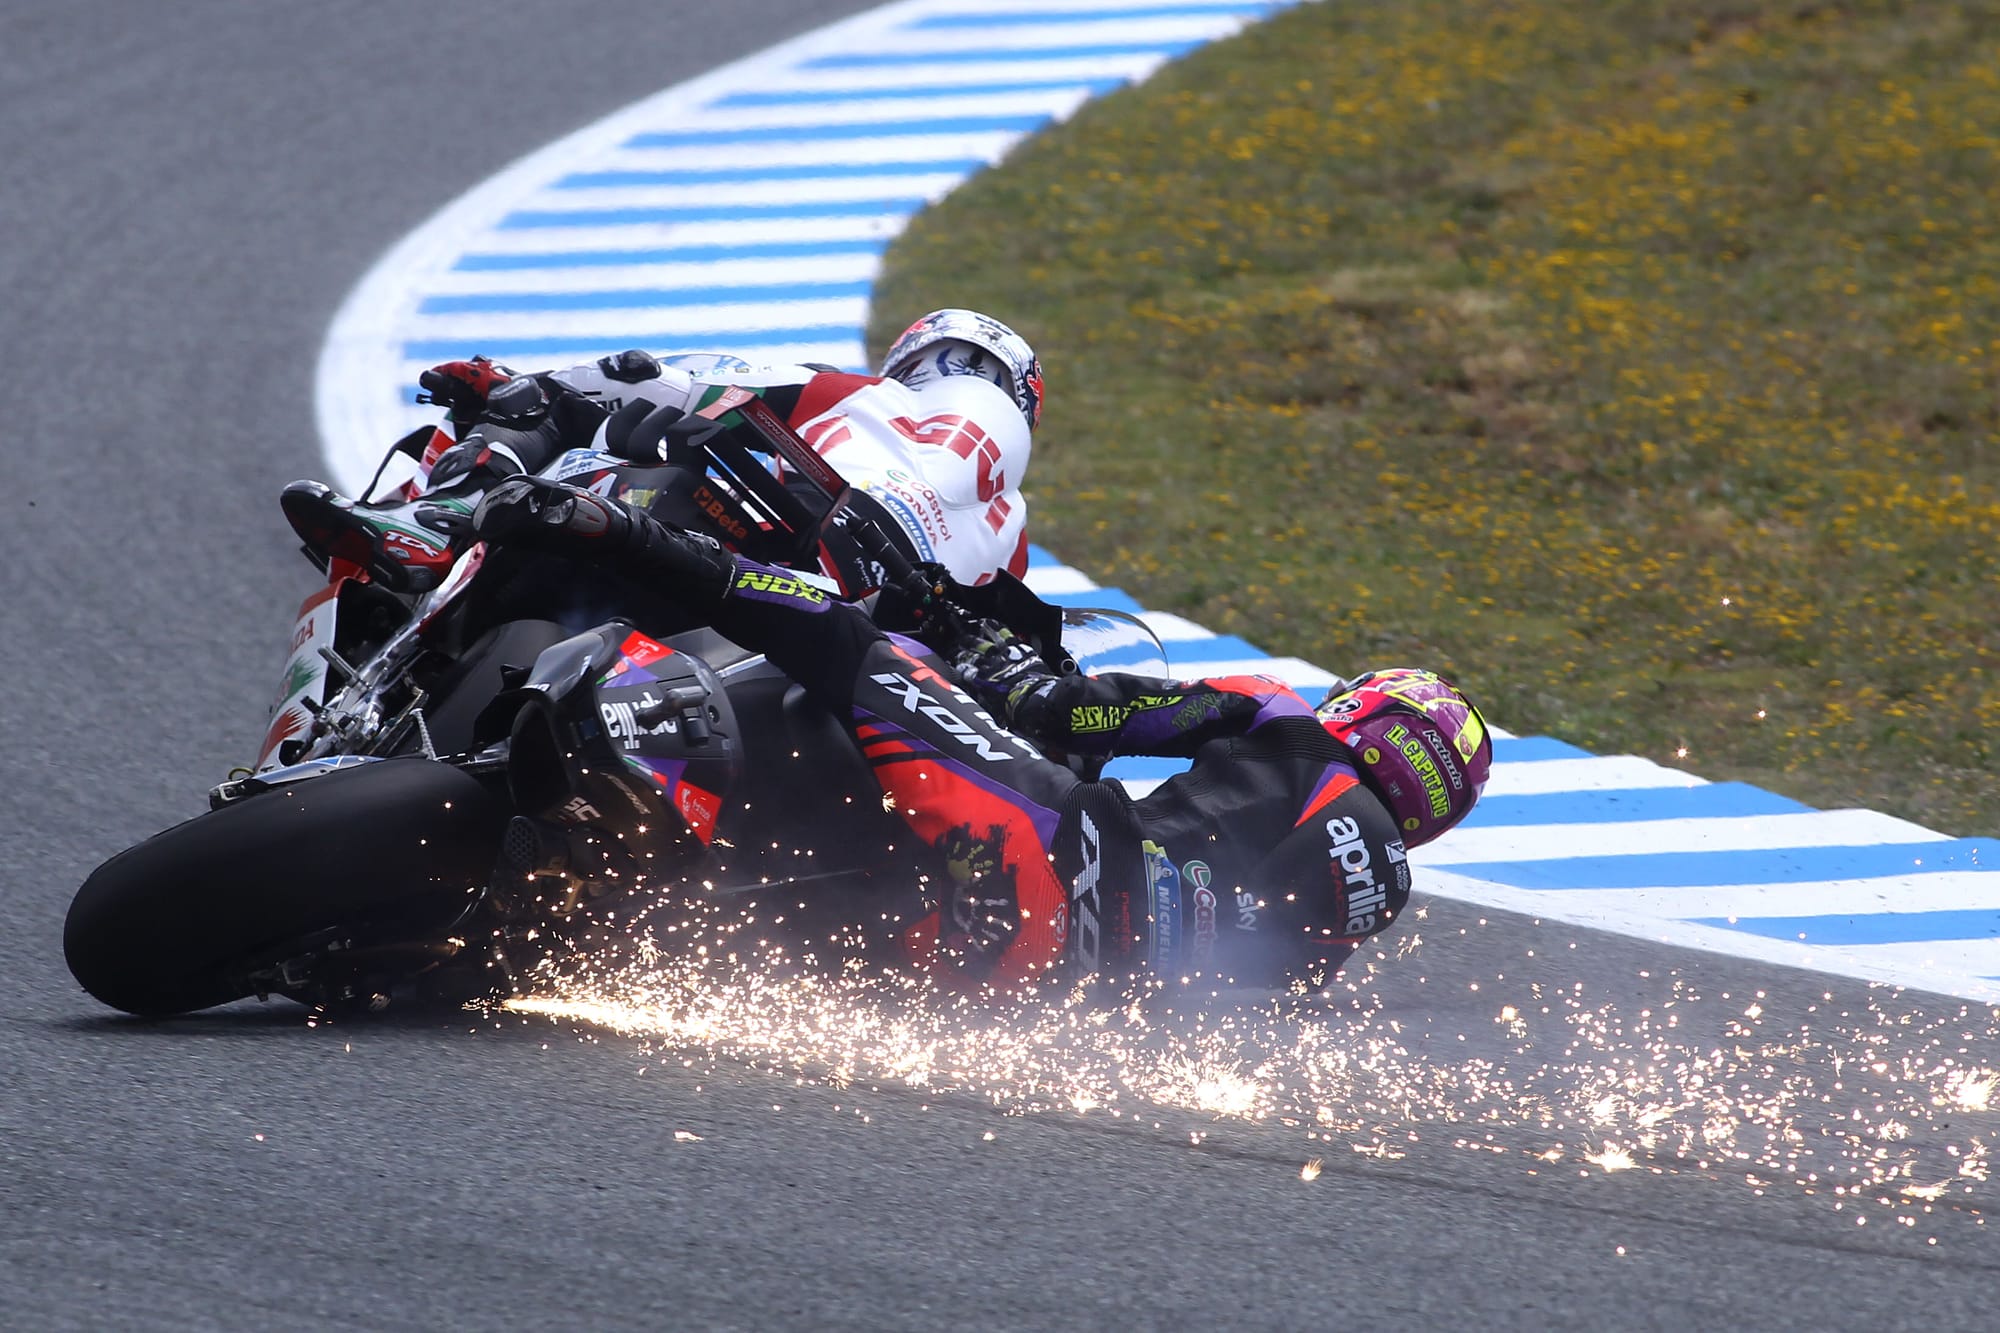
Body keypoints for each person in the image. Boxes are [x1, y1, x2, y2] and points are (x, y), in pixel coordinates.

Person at [467, 475, 1493, 993]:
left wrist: (1010, 673)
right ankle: (594, 928)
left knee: (845, 642)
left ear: (1362, 712)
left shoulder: (1281, 720)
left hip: (1050, 849)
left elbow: (1080, 713)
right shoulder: (1366, 908)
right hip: (1039, 981)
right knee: (805, 947)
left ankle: (608, 532)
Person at [283, 309, 1044, 597]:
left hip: (758, 529)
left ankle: (439, 527)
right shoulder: (1013, 533)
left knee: (562, 409)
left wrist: (519, 386)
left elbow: (651, 378)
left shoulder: (855, 392)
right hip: (878, 645)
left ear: (912, 360)